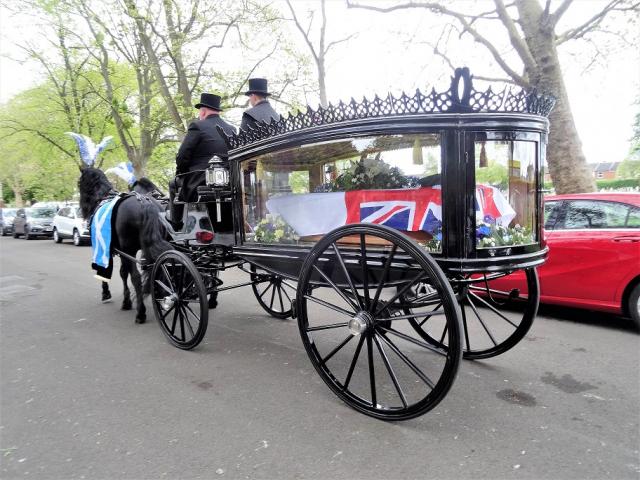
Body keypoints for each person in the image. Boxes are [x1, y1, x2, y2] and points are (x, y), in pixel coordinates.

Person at [169, 92, 236, 231]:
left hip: (200, 180)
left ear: (203, 111)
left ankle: (176, 224)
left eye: (200, 111)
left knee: (172, 183)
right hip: (228, 182)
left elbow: (182, 157)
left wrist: (180, 174)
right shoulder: (231, 129)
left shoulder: (197, 126)